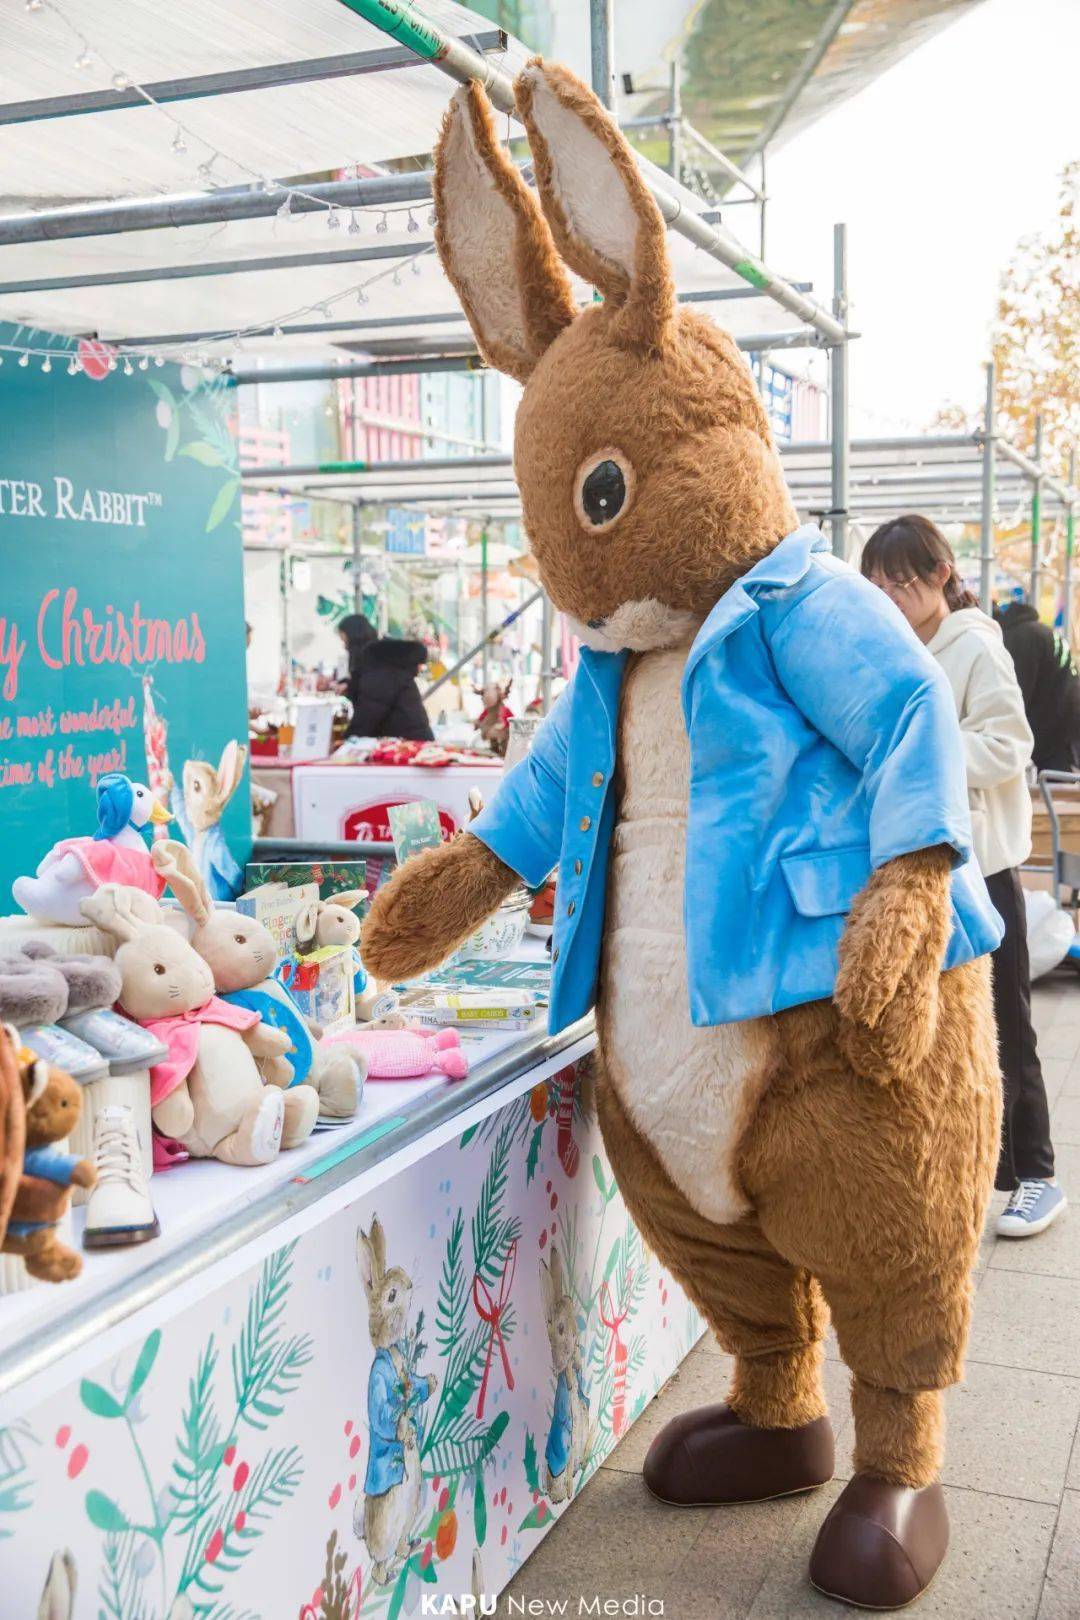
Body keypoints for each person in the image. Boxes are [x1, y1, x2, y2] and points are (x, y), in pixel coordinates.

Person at [862, 514, 1066, 1238]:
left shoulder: (976, 645)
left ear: (942, 575)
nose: (890, 594)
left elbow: (1010, 744)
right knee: (944, 1027)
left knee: (1006, 1023)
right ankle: (965, 1171)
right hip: (925, 859)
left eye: (903, 580)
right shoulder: (896, 645)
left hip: (986, 863)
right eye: (879, 583)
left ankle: (1035, 1173)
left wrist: (928, 755)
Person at [995, 591, 1080, 772]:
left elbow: (1017, 695)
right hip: (1066, 721)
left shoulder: (1020, 638)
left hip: (1056, 732)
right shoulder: (1038, 630)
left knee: (1058, 790)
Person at [338, 614, 433, 742]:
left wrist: (347, 740)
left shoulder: (379, 663)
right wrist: (350, 686)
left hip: (408, 744)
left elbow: (371, 710)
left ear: (354, 638)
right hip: (404, 738)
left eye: (345, 640)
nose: (344, 647)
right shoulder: (378, 661)